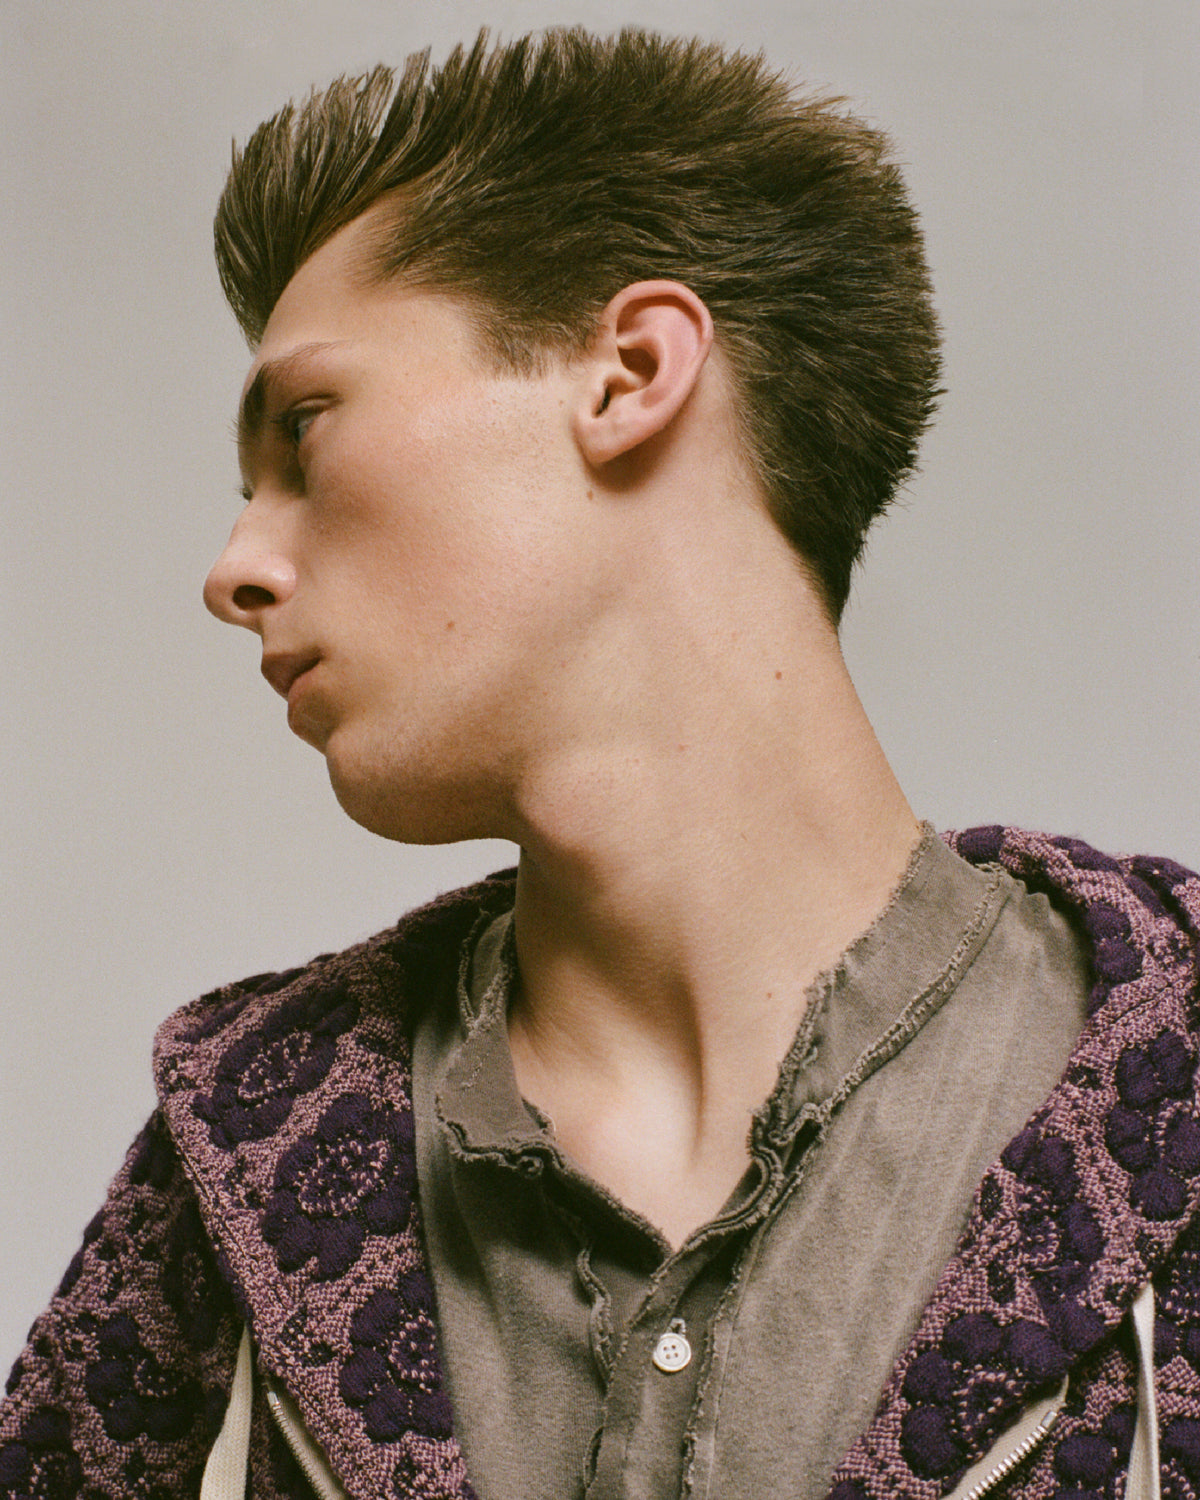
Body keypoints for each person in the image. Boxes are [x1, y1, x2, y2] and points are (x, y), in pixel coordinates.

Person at [2, 26, 1198, 1500]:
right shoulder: (234, 1169)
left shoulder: (1171, 1076)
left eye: (305, 433)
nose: (234, 567)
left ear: (631, 373)